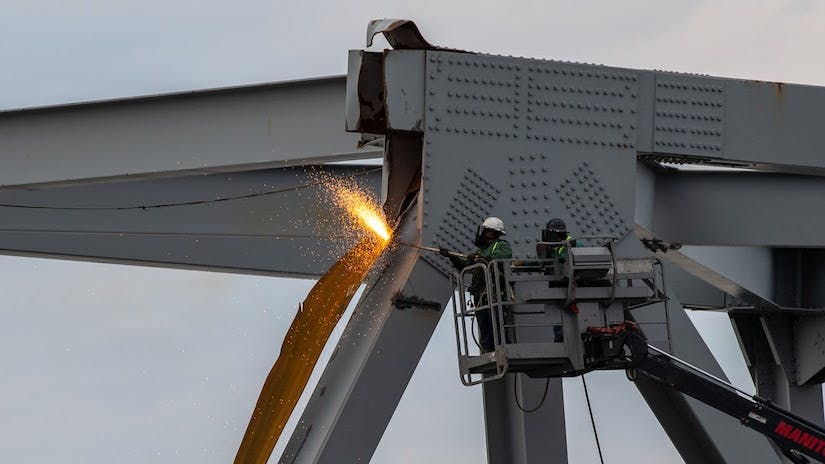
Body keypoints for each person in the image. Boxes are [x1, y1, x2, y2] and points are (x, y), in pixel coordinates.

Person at [440, 217, 512, 353]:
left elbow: (500, 258)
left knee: (496, 322)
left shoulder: (502, 246)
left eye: (486, 231)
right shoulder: (481, 251)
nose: (483, 233)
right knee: (483, 323)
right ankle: (488, 350)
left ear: (492, 232)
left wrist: (480, 258)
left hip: (494, 292)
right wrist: (451, 256)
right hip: (480, 293)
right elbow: (465, 266)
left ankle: (502, 348)